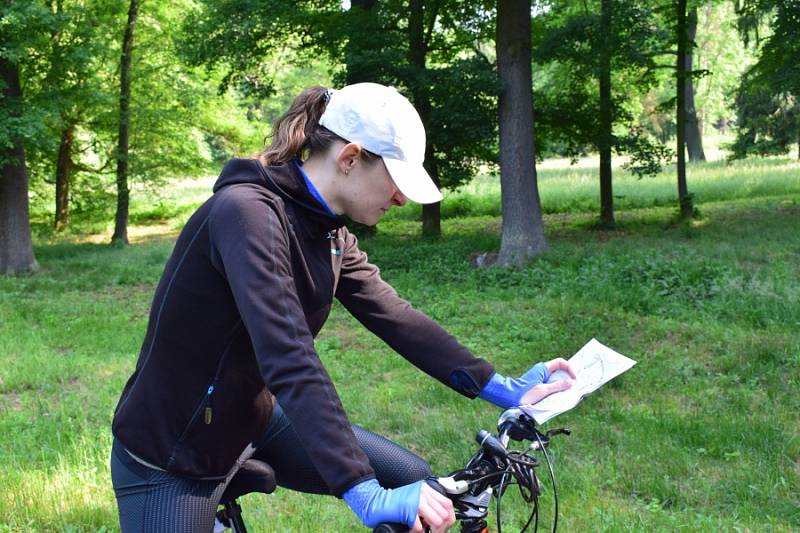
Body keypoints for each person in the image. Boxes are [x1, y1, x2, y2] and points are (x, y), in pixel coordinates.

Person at [110, 82, 576, 533]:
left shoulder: (327, 230)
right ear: (350, 158)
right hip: (172, 451)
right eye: (396, 180)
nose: (402, 197)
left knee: (410, 477)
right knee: (378, 487)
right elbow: (288, 355)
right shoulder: (245, 213)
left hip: (248, 418)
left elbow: (395, 315)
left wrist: (502, 388)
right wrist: (361, 489)